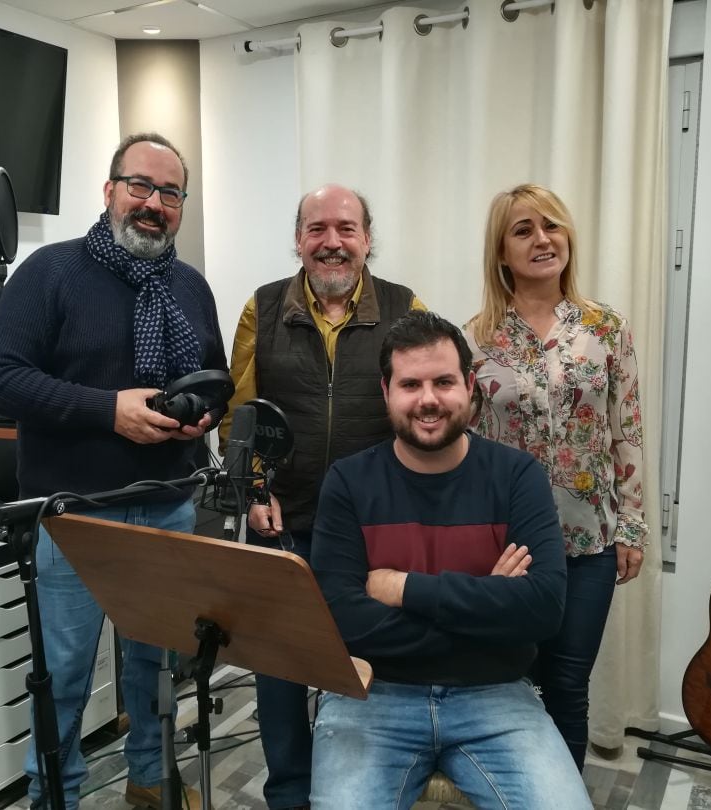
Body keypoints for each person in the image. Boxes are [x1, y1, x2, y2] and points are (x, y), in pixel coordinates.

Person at [0, 132, 226, 810]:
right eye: (140, 186)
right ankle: (54, 797)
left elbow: (212, 380)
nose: (153, 204)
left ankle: (150, 777)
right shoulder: (49, 273)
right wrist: (105, 410)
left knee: (156, 663)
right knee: (63, 674)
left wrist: (200, 417)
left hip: (167, 504)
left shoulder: (191, 287)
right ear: (109, 190)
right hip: (75, 516)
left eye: (170, 193)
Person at [308, 310, 591, 809]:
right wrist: (489, 606)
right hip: (374, 695)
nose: (428, 400)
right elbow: (339, 621)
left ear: (470, 385)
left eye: (443, 381)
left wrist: (403, 588)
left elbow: (544, 608)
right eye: (410, 384)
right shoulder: (348, 482)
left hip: (496, 695)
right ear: (386, 392)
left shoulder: (517, 476)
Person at [221, 183, 424, 810]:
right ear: (299, 239)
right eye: (317, 229)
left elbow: (422, 411)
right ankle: (290, 794)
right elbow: (240, 417)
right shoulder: (262, 309)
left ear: (367, 239)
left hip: (375, 531)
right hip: (286, 522)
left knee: (369, 669)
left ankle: (362, 789)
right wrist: (253, 489)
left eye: (345, 229)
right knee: (279, 670)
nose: (331, 242)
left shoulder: (405, 308)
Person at [463, 183, 648, 771]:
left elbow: (628, 431)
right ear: (501, 252)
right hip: (507, 541)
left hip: (589, 539)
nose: (542, 239)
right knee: (516, 675)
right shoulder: (475, 338)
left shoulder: (605, 328)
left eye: (552, 226)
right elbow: (462, 440)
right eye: (523, 230)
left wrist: (633, 527)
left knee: (569, 681)